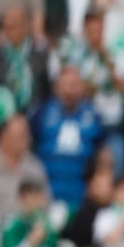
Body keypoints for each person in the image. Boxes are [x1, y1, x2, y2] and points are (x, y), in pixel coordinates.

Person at [30, 66, 105, 210]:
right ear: (56, 88)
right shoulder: (41, 114)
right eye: (65, 85)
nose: (69, 91)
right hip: (47, 195)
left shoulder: (94, 116)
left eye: (74, 85)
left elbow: (102, 154)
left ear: (82, 88)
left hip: (81, 198)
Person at [0, 114, 49, 219]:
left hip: (31, 228)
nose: (28, 139)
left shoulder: (35, 165)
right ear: (4, 137)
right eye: (22, 135)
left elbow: (47, 201)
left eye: (27, 135)